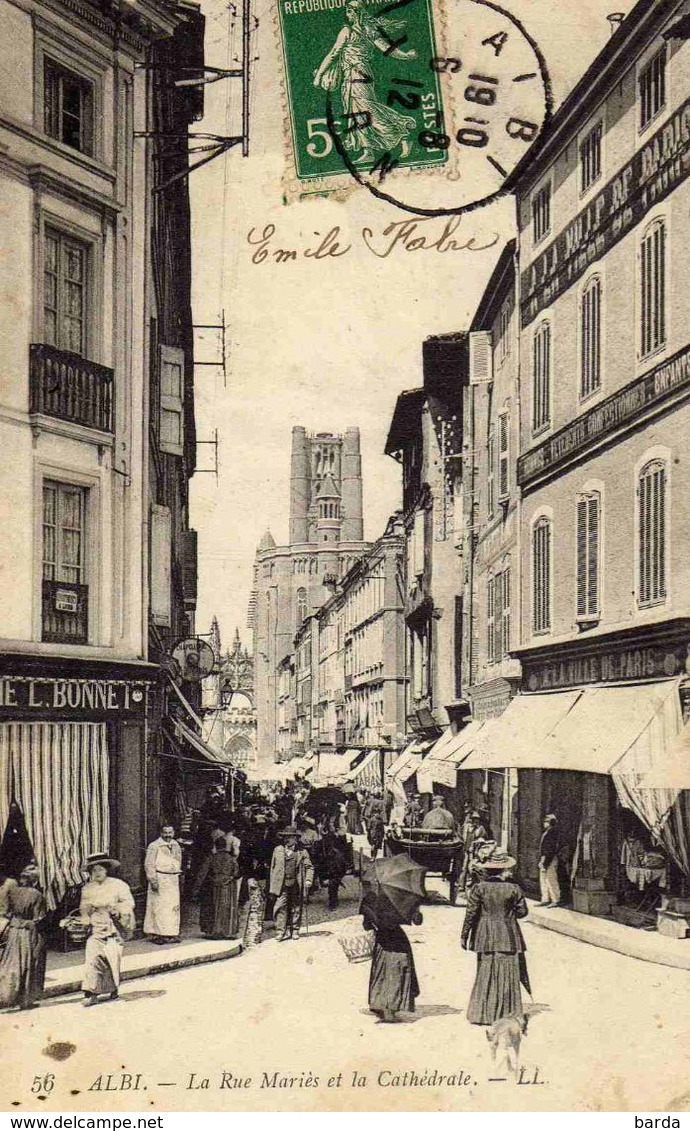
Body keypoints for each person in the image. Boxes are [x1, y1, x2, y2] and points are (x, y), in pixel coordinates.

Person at [313, 0, 418, 165]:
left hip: (358, 74)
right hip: (352, 74)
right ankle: (367, 150)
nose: (348, 14)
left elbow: (334, 53)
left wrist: (319, 75)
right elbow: (387, 49)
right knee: (357, 112)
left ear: (357, 13)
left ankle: (403, 133)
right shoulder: (366, 30)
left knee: (367, 109)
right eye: (348, 11)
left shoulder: (348, 31)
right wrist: (405, 55)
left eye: (350, 11)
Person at [460, 851, 529, 1026]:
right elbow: (522, 913)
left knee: (486, 972)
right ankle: (507, 1012)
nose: (510, 872)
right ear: (503, 870)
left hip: (484, 935)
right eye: (508, 869)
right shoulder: (514, 889)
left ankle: (483, 1013)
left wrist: (464, 935)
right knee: (507, 973)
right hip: (508, 935)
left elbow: (471, 914)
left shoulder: (479, 888)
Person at [79, 854, 135, 1007]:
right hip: (96, 925)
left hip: (114, 925)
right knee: (93, 958)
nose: (97, 873)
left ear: (106, 870)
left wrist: (118, 910)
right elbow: (84, 907)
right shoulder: (87, 888)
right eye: (94, 870)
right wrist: (85, 917)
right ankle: (91, 993)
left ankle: (112, 988)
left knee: (111, 958)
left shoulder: (119, 885)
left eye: (100, 869)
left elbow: (129, 903)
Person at [360, 892, 421, 1022]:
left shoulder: (371, 899)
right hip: (399, 940)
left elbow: (366, 926)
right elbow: (417, 921)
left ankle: (379, 1005)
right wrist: (417, 908)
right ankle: (392, 1008)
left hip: (382, 941)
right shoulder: (406, 897)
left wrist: (374, 924)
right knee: (397, 973)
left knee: (381, 973)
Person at [0, 864, 47, 1010]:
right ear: (34, 881)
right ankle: (26, 1001)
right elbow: (39, 918)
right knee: (29, 964)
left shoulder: (12, 892)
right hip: (29, 932)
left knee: (12, 964)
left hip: (14, 931)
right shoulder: (37, 895)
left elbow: (7, 912)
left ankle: (5, 997)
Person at [269, 827, 314, 941]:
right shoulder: (277, 850)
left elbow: (309, 867)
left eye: (290, 837)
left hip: (296, 884)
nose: (287, 840)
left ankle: (295, 930)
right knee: (280, 907)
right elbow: (272, 868)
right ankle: (280, 931)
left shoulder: (302, 852)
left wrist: (308, 880)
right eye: (285, 837)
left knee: (296, 907)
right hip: (281, 884)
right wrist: (272, 885)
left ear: (295, 839)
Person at [194, 835, 240, 939]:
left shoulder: (211, 858)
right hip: (228, 886)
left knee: (213, 907)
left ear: (216, 846)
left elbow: (203, 873)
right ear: (226, 846)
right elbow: (236, 873)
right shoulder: (232, 859)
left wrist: (196, 888)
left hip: (214, 885)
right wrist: (229, 878)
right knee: (227, 907)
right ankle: (227, 931)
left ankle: (214, 931)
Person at [143, 823, 183, 945]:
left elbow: (178, 860)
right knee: (159, 907)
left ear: (174, 833)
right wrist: (153, 880)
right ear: (161, 833)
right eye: (165, 832)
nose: (168, 835)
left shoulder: (176, 845)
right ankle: (157, 933)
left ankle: (171, 933)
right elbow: (149, 864)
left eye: (170, 832)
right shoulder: (154, 846)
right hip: (160, 878)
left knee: (172, 907)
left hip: (173, 879)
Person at [458, 811, 489, 893]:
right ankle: (461, 886)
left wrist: (477, 843)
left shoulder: (481, 828)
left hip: (475, 851)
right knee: (464, 868)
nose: (476, 821)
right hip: (466, 850)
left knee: (472, 868)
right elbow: (462, 836)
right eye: (474, 819)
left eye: (477, 820)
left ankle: (472, 885)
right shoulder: (467, 827)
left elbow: (483, 839)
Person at [539, 814, 561, 907]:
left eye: (546, 821)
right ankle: (545, 898)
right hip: (545, 857)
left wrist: (545, 862)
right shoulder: (547, 832)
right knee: (544, 879)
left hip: (549, 858)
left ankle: (555, 899)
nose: (544, 823)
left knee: (551, 879)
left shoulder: (552, 833)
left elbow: (550, 849)